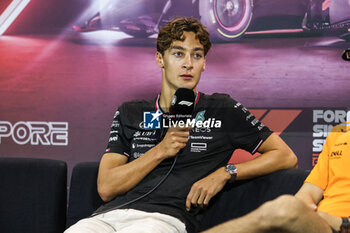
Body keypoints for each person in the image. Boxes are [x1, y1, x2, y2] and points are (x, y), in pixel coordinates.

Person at [65, 17, 297, 233]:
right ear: (160, 59)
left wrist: (226, 172)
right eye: (178, 54)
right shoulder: (131, 111)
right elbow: (106, 188)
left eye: (196, 55)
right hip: (107, 217)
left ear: (204, 63)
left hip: (163, 220)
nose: (188, 64)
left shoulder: (222, 108)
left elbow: (286, 156)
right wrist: (160, 150)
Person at [203, 121, 350, 233]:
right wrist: (307, 214)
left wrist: (342, 222)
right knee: (287, 210)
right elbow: (309, 193)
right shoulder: (340, 131)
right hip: (320, 223)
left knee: (284, 208)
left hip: (341, 224)